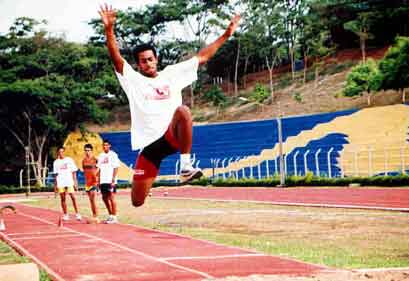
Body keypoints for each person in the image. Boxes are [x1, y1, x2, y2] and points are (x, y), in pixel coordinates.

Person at [99, 4, 240, 207]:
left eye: (150, 59)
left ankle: (185, 166)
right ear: (138, 65)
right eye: (143, 61)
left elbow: (203, 57)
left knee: (183, 111)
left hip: (170, 136)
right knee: (137, 201)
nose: (147, 63)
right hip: (149, 148)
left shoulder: (172, 74)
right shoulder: (133, 81)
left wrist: (226, 34)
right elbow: (116, 58)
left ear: (156, 59)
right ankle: (154, 175)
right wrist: (109, 30)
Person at [53, 146, 81, 221]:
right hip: (61, 182)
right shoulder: (56, 162)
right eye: (59, 152)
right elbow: (55, 175)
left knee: (73, 197)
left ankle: (77, 213)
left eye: (62, 152)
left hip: (69, 181)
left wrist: (75, 182)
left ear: (64, 152)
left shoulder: (69, 160)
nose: (61, 153)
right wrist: (55, 186)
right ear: (58, 153)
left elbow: (74, 171)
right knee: (63, 199)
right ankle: (65, 214)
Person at [97, 139, 120, 223]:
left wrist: (113, 179)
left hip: (110, 180)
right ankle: (110, 215)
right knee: (104, 198)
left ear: (109, 146)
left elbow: (116, 167)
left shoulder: (113, 155)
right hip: (103, 180)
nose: (105, 146)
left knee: (111, 197)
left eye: (106, 145)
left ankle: (114, 217)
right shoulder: (100, 156)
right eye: (103, 145)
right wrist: (98, 180)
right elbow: (99, 169)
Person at [82, 143, 100, 223]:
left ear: (91, 151)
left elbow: (99, 169)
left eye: (88, 150)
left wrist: (97, 180)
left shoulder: (95, 159)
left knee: (93, 199)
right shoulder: (84, 160)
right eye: (85, 150)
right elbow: (85, 172)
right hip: (87, 183)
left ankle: (96, 217)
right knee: (91, 201)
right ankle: (94, 216)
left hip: (94, 182)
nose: (87, 152)